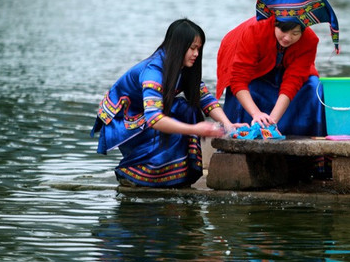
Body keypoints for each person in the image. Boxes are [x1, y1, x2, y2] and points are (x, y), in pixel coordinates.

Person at [91, 18, 241, 188]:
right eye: (192, 48)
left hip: (145, 116)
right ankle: (135, 173)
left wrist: (228, 125)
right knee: (178, 127)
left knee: (187, 108)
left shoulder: (184, 69)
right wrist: (194, 129)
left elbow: (205, 99)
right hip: (125, 121)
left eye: (198, 49)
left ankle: (172, 174)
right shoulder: (153, 72)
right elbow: (154, 118)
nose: (196, 54)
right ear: (178, 46)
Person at [216, 0, 340, 137]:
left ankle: (303, 140)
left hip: (282, 68)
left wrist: (271, 122)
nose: (288, 38)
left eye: (295, 33)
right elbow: (239, 79)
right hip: (247, 67)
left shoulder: (309, 40)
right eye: (283, 30)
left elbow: (293, 81)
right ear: (275, 23)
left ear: (303, 30)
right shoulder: (255, 31)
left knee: (313, 87)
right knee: (248, 89)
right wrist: (257, 115)